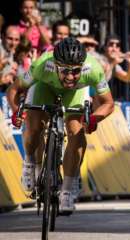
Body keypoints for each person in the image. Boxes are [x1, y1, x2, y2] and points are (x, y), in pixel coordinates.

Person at [6, 37, 114, 214]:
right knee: (34, 127)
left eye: (76, 71)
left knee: (76, 133)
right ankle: (30, 161)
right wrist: (16, 110)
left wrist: (94, 119)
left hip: (75, 94)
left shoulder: (93, 69)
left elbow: (108, 103)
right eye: (64, 71)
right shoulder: (43, 65)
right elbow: (14, 89)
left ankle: (67, 190)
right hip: (44, 88)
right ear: (55, 65)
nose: (70, 77)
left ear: (83, 66)